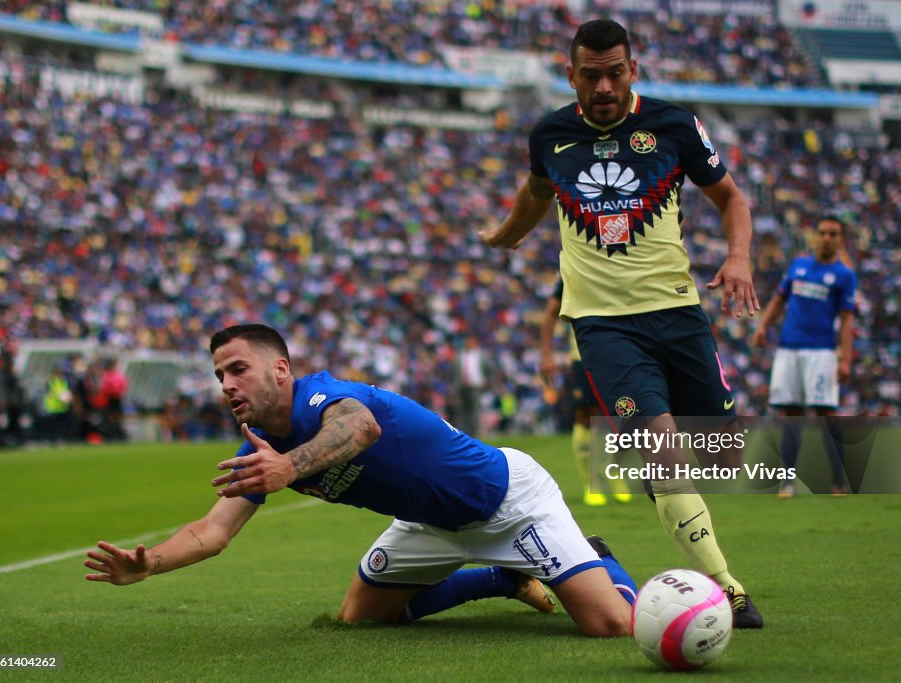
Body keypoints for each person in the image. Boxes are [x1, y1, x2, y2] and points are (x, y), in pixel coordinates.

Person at [85, 324, 637, 637]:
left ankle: (592, 554)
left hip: (506, 501)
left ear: (281, 369)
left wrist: (290, 467)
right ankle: (503, 580)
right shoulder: (260, 449)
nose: (226, 385)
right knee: (362, 617)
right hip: (429, 525)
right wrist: (149, 563)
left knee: (609, 624)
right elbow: (213, 531)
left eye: (237, 369)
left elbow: (361, 427)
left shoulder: (324, 396)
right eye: (219, 376)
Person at [479, 19, 763, 628]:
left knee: (722, 451)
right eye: (590, 75)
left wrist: (738, 256)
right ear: (571, 75)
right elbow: (535, 193)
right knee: (663, 457)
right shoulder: (550, 134)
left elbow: (732, 199)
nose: (603, 86)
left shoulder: (675, 125)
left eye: (614, 72)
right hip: (604, 326)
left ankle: (664, 490)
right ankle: (727, 590)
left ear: (633, 70)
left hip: (678, 313)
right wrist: (504, 235)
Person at [751, 215, 857, 497]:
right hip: (788, 349)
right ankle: (787, 484)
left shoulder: (845, 276)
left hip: (821, 352)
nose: (826, 238)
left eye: (832, 234)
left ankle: (838, 483)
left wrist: (845, 359)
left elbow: (847, 320)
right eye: (822, 233)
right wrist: (763, 326)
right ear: (815, 236)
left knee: (826, 415)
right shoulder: (798, 266)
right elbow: (779, 299)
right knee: (790, 414)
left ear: (839, 239)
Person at [540, 277, 632, 506]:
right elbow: (551, 313)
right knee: (585, 418)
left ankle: (611, 471)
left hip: (621, 356)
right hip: (584, 356)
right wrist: (546, 354)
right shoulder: (573, 268)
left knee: (623, 417)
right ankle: (590, 484)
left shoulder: (623, 264)